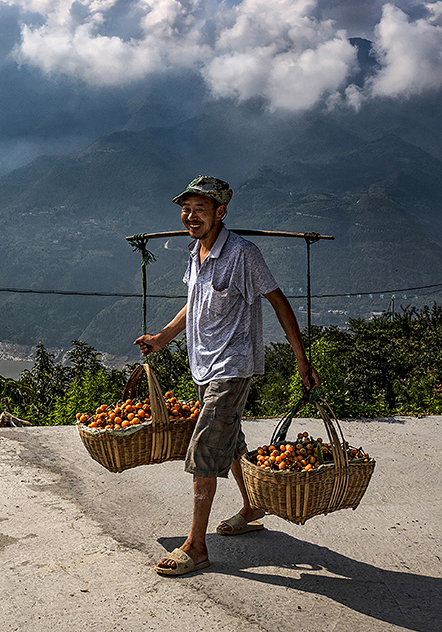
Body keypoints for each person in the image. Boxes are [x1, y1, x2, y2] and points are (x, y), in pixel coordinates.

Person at [135, 175, 320, 576]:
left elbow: (278, 301)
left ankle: (197, 546)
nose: (189, 216)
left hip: (232, 367)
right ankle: (252, 506)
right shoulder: (194, 252)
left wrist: (302, 360)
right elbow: (194, 304)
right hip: (203, 364)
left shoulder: (242, 254)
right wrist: (163, 337)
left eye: (199, 209)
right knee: (231, 441)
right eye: (186, 209)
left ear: (221, 212)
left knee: (205, 450)